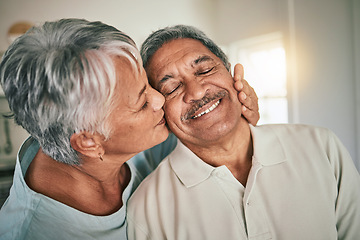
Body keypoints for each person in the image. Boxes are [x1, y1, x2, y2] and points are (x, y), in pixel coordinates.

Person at [0, 19, 259, 239]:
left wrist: (235, 119)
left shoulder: (127, 132)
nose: (159, 99)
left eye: (148, 83)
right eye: (142, 102)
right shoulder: (38, 232)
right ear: (90, 142)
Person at [127, 25, 360, 240]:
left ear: (233, 74)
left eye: (205, 70)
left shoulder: (320, 146)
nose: (197, 92)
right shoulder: (147, 209)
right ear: (159, 109)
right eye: (172, 88)